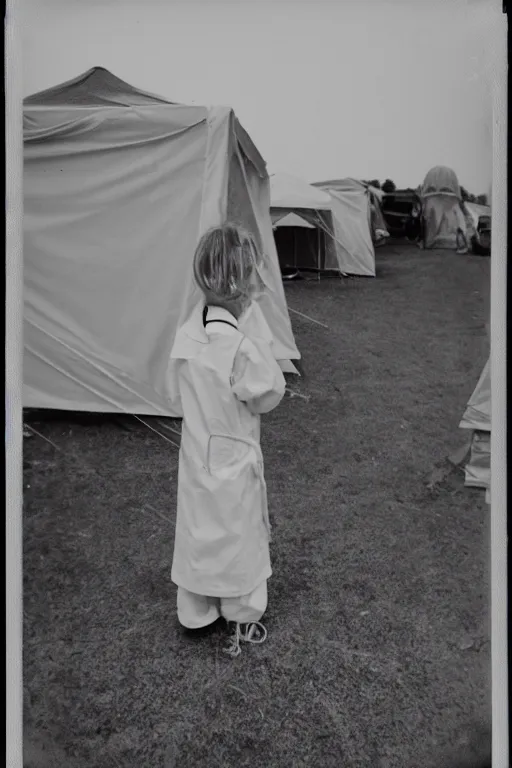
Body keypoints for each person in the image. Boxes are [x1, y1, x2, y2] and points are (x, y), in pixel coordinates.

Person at [169, 223, 286, 658]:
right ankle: (241, 606)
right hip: (233, 451)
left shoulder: (188, 333)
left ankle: (196, 608)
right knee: (237, 529)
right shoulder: (239, 345)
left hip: (197, 449)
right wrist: (256, 338)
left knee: (199, 524)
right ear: (241, 283)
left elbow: (174, 388)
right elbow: (267, 394)